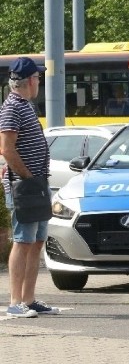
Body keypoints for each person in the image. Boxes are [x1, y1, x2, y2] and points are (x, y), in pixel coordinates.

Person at [2, 57, 59, 317]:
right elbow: (6, 147)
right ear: (30, 81)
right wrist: (26, 176)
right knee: (22, 241)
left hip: (35, 185)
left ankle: (29, 298)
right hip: (24, 186)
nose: (39, 82)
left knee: (36, 241)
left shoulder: (25, 105)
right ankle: (15, 302)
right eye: (38, 78)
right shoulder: (13, 107)